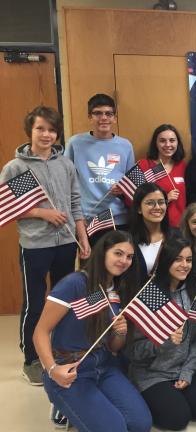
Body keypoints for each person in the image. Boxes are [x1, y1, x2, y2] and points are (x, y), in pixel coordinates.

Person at [0, 106, 91, 385]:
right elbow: (8, 206)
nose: (46, 134)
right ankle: (32, 358)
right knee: (36, 302)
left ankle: (60, 348)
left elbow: (76, 203)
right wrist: (42, 213)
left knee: (64, 301)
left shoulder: (65, 164)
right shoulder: (16, 167)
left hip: (66, 243)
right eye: (40, 128)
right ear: (30, 131)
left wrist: (83, 239)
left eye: (51, 130)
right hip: (35, 246)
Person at [32, 230, 152, 432]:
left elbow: (114, 347)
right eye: (118, 253)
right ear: (103, 252)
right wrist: (52, 370)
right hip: (71, 367)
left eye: (129, 256)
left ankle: (87, 406)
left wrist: (120, 333)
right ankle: (63, 404)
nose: (124, 261)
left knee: (141, 424)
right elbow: (40, 332)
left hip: (103, 363)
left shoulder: (117, 288)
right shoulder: (73, 283)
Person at [127, 236, 196, 430]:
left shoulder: (195, 291)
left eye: (189, 260)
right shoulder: (150, 295)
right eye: (178, 259)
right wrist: (163, 341)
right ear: (166, 261)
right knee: (177, 419)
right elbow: (133, 351)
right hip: (152, 372)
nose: (184, 265)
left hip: (182, 368)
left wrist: (188, 371)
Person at [65, 93, 135, 239]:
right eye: (98, 113)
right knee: (90, 261)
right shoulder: (75, 143)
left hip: (118, 218)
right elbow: (66, 181)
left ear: (114, 118)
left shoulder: (125, 145)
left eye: (108, 114)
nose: (103, 118)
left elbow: (131, 183)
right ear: (90, 117)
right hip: (86, 219)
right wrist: (76, 218)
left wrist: (123, 189)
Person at [137, 124, 187, 228]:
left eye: (172, 140)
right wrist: (165, 200)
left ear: (178, 143)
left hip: (179, 226)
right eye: (162, 141)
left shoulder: (182, 166)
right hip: (153, 227)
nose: (167, 144)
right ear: (155, 143)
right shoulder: (144, 165)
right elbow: (136, 199)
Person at [128, 183, 173, 280]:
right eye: (150, 203)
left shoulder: (177, 237)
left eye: (161, 202)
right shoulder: (128, 239)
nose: (157, 207)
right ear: (139, 208)